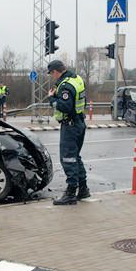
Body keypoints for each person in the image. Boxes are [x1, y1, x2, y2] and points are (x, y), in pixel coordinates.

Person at [47, 60, 90, 205]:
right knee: (75, 157)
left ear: (56, 71)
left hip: (70, 125)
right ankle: (83, 189)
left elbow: (64, 106)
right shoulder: (77, 79)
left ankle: (71, 193)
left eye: (51, 74)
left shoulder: (65, 85)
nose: (52, 77)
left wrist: (52, 98)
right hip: (79, 123)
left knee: (68, 158)